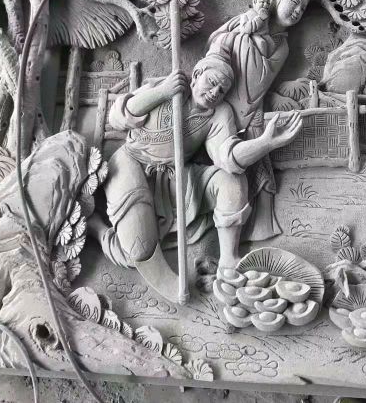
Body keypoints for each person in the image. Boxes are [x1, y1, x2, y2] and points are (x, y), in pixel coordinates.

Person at [91, 54, 303, 301]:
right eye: (211, 82)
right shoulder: (166, 84)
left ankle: (228, 260)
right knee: (137, 253)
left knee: (231, 180)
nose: (215, 92)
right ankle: (97, 229)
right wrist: (163, 92)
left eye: (222, 90)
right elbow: (117, 118)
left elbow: (227, 157)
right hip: (131, 164)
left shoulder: (219, 113)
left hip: (175, 178)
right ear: (196, 76)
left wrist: (265, 143)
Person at [207, 0, 311, 242]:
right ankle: (229, 227)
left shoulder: (282, 46)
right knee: (229, 167)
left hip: (253, 109)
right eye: (294, 2)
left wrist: (254, 44)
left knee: (260, 160)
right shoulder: (246, 20)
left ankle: (262, 225)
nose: (297, 11)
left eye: (302, 9)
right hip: (222, 103)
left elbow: (262, 78)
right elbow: (218, 45)